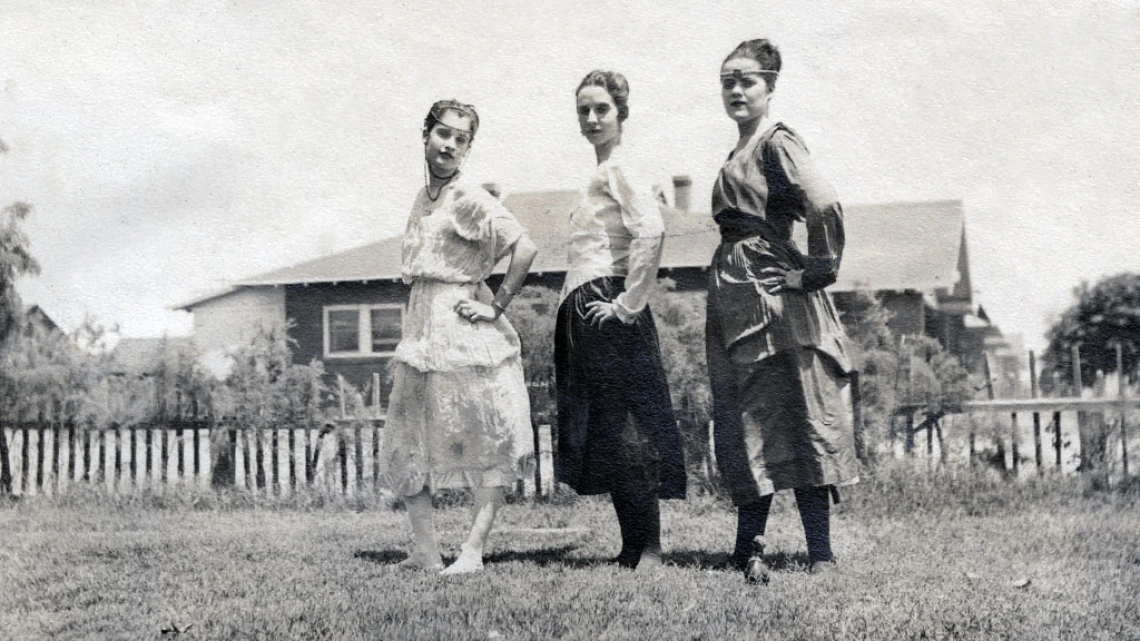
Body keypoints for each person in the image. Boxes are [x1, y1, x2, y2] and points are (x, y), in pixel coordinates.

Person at [705, 40, 859, 581]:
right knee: (749, 415)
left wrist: (813, 272)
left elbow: (826, 203)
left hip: (776, 298)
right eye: (727, 80)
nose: (736, 89)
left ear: (770, 87)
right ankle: (748, 548)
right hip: (735, 295)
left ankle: (821, 553)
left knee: (799, 410)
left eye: (747, 79)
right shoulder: (738, 149)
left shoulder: (777, 142)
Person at [381, 99, 538, 575]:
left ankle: (472, 552)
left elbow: (525, 247)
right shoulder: (423, 196)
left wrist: (495, 306)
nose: (449, 144)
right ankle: (426, 551)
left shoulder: (469, 196)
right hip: (422, 329)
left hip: (463, 331)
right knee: (410, 438)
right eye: (442, 133)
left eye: (460, 138)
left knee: (487, 433)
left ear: (469, 147)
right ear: (425, 134)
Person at [554, 70, 687, 570]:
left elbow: (650, 230)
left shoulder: (620, 167)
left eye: (601, 109)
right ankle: (631, 545)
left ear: (621, 112)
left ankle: (650, 547)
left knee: (629, 424)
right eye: (583, 110)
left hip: (608, 303)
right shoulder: (600, 170)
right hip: (586, 307)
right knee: (608, 426)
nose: (591, 118)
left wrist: (627, 304)